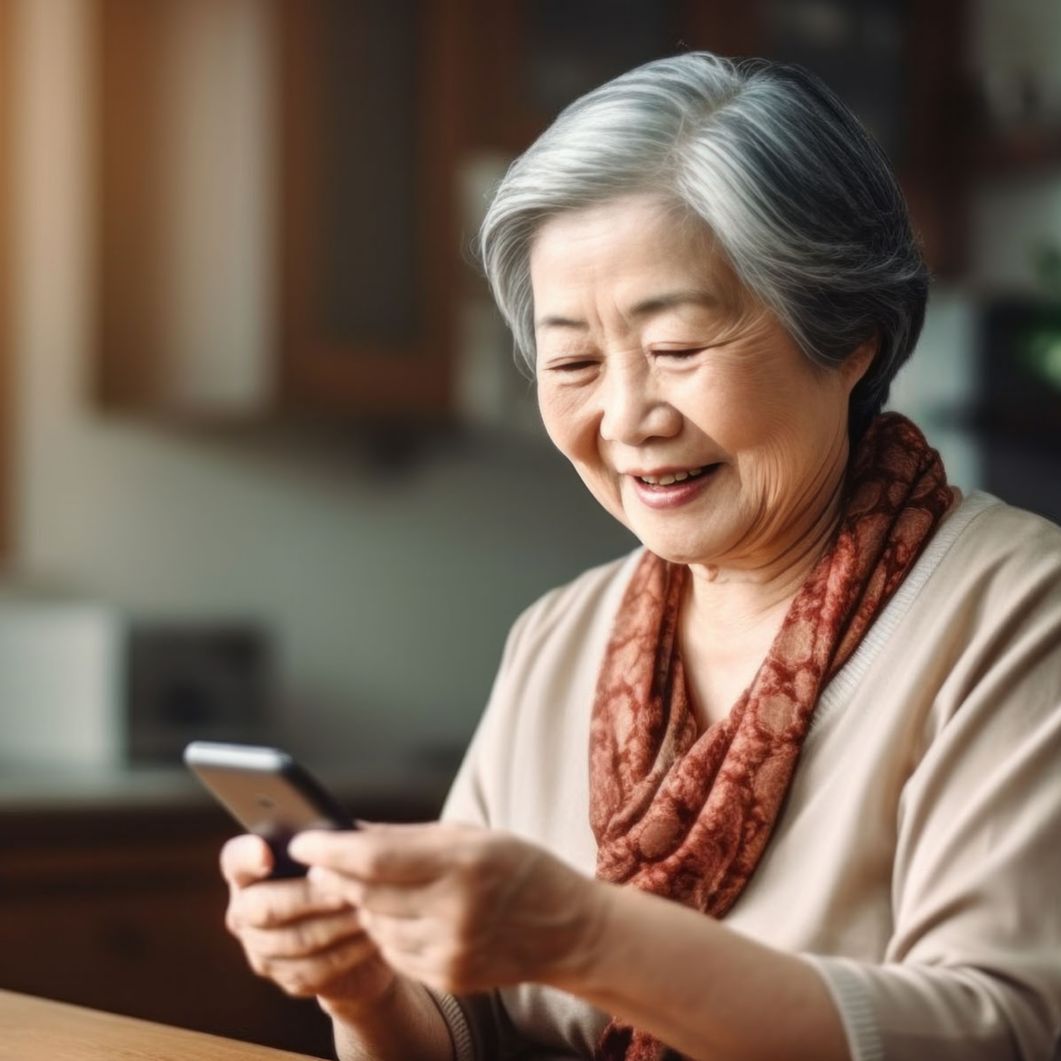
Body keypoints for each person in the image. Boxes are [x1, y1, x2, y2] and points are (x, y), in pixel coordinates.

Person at [220, 52, 1061, 1060]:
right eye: (573, 360)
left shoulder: (1014, 612)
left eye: (677, 349)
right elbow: (467, 1025)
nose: (625, 418)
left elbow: (999, 1031)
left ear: (849, 337)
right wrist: (365, 985)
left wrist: (582, 932)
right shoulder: (559, 634)